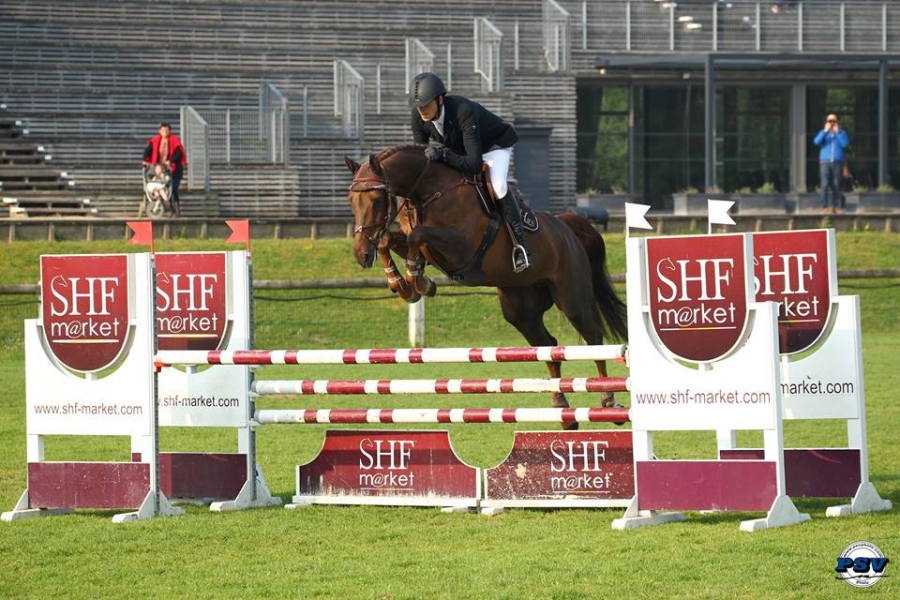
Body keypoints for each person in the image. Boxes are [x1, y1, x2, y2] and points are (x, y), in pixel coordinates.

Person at [409, 72, 530, 272]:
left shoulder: (462, 111)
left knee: (498, 186)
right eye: (418, 105)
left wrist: (444, 156)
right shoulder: (419, 117)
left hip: (493, 146)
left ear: (439, 99)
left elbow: (474, 164)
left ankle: (521, 246)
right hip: (463, 149)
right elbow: (422, 157)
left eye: (425, 104)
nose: (421, 110)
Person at [143, 122, 186, 217]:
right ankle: (159, 205)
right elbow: (148, 151)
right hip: (159, 168)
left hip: (174, 169)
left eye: (166, 130)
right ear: (159, 131)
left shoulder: (174, 140)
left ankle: (174, 208)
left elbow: (178, 154)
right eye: (162, 130)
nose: (164, 132)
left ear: (170, 131)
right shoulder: (155, 140)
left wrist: (170, 161)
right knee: (156, 185)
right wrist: (145, 160)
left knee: (173, 188)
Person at [813, 113, 849, 214]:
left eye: (834, 121)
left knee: (836, 184)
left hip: (837, 162)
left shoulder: (842, 133)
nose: (832, 123)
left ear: (837, 122)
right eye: (830, 121)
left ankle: (836, 206)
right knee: (824, 184)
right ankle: (824, 206)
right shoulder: (823, 133)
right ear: (826, 122)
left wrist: (838, 133)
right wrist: (825, 131)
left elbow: (845, 144)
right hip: (825, 162)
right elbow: (816, 141)